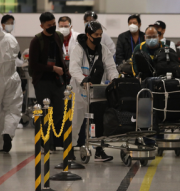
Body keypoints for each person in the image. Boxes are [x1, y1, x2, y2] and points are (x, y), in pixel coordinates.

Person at [69, 21, 118, 162]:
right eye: (96, 34)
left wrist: (114, 80)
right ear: (88, 35)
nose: (99, 37)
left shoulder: (103, 50)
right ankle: (70, 150)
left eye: (101, 34)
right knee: (75, 123)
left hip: (96, 92)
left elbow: (110, 67)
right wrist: (83, 81)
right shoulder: (77, 49)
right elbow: (74, 69)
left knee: (97, 123)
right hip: (78, 91)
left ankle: (99, 150)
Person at [29, 12, 68, 150]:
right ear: (42, 26)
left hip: (58, 81)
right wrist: (53, 69)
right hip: (42, 81)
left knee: (59, 111)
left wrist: (64, 74)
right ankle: (46, 144)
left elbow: (60, 57)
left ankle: (48, 138)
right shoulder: (36, 41)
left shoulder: (58, 36)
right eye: (49, 25)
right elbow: (33, 65)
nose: (52, 27)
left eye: (53, 24)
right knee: (45, 113)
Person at [0, 14, 23, 153]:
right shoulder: (10, 38)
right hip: (11, 77)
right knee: (13, 108)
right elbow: (16, 54)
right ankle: (8, 132)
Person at [1, 15, 27, 129]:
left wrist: (23, 61)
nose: (11, 25)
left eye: (12, 22)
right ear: (3, 24)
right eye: (9, 23)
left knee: (10, 103)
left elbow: (16, 56)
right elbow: (12, 58)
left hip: (9, 75)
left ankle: (9, 126)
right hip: (4, 75)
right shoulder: (3, 38)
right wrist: (23, 63)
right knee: (8, 104)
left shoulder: (10, 37)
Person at [57, 16, 79, 84]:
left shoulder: (77, 37)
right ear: (58, 26)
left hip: (74, 68)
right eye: (61, 26)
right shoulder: (54, 37)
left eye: (66, 26)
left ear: (70, 26)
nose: (63, 28)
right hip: (59, 68)